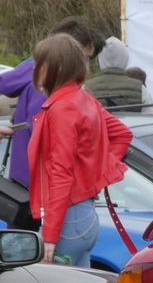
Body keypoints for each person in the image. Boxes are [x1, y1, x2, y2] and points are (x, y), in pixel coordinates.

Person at [27, 33, 132, 265]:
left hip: (68, 220)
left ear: (58, 67)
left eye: (40, 63)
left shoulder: (62, 107)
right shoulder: (81, 99)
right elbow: (122, 134)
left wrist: (50, 236)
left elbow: (61, 174)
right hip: (84, 216)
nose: (35, 69)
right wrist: (90, 177)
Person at [0, 17, 104, 230]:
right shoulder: (47, 88)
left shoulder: (34, 76)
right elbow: (53, 150)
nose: (85, 67)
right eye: (83, 57)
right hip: (41, 195)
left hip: (27, 186)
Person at [83, 36, 153, 110]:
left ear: (100, 58)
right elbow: (151, 118)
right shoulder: (141, 89)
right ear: (125, 56)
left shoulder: (86, 88)